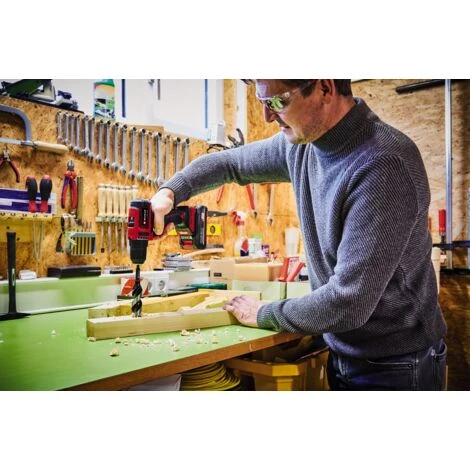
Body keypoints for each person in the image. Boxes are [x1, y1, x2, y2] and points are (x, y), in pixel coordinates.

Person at [150, 79, 447, 391]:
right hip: (345, 351)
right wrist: (170, 192)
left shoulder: (383, 164)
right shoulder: (304, 144)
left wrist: (263, 313)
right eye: (262, 102)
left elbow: (348, 303)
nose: (267, 116)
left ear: (325, 88)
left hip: (398, 364)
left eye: (278, 102)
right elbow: (230, 163)